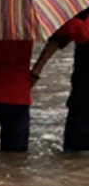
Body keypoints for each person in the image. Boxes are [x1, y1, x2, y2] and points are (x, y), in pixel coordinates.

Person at [31, 10, 89, 152]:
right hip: (83, 94)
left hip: (83, 94)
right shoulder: (83, 7)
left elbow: (62, 36)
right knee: (77, 146)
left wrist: (35, 72)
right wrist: (35, 72)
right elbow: (61, 37)